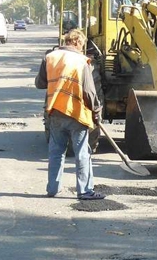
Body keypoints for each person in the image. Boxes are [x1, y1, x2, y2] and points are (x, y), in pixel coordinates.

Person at [35, 29, 105, 200]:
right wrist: (96, 111)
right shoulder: (82, 61)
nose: (82, 48)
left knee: (56, 152)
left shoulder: (50, 57)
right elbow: (89, 91)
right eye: (82, 45)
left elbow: (40, 83)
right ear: (77, 42)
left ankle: (52, 189)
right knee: (82, 152)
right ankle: (85, 191)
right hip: (76, 113)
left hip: (55, 112)